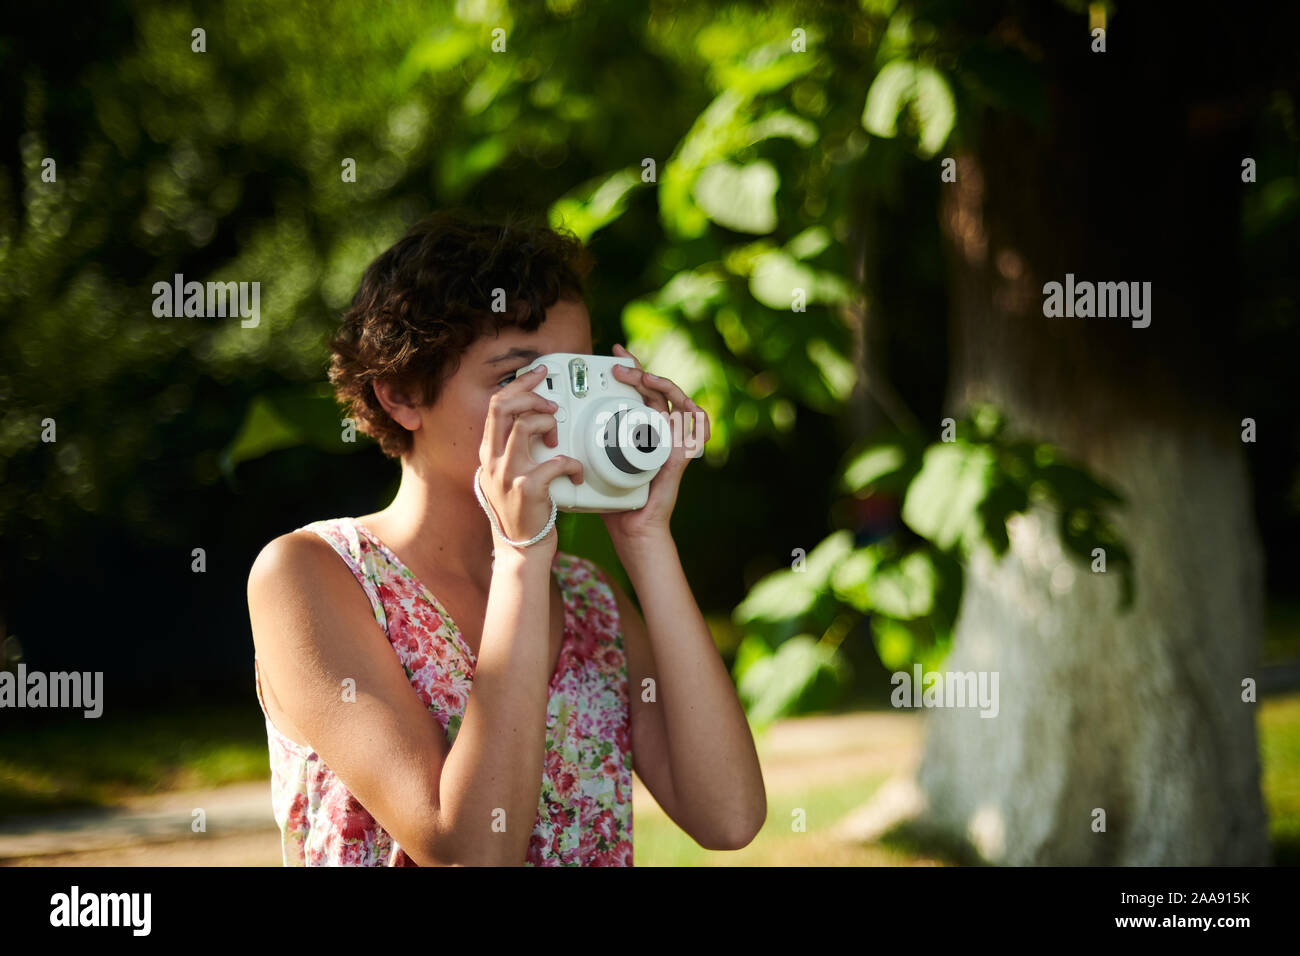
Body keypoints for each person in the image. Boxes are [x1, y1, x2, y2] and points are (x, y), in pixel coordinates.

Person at [246, 210, 766, 866]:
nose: (559, 413)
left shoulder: (587, 597)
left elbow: (730, 816)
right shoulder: (313, 573)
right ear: (403, 393)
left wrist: (645, 538)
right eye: (518, 379)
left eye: (576, 378)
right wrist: (520, 557)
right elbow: (468, 850)